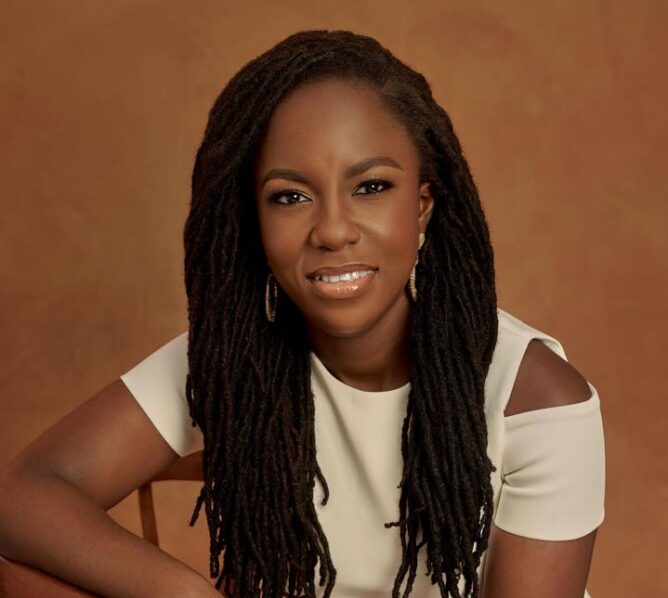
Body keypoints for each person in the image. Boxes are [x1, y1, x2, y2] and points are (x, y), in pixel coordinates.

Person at [0, 30, 605, 598]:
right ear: (255, 222)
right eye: (290, 196)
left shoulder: (536, 404)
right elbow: (20, 495)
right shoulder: (232, 359)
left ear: (422, 206)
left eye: (371, 187)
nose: (333, 231)